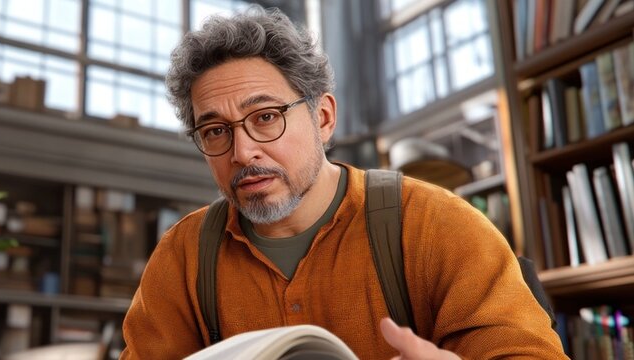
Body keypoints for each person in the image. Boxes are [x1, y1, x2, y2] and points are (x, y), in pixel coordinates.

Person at [121, 7, 566, 359]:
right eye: (216, 130)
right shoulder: (182, 257)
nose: (242, 152)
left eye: (266, 118)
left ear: (324, 117)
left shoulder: (437, 225)